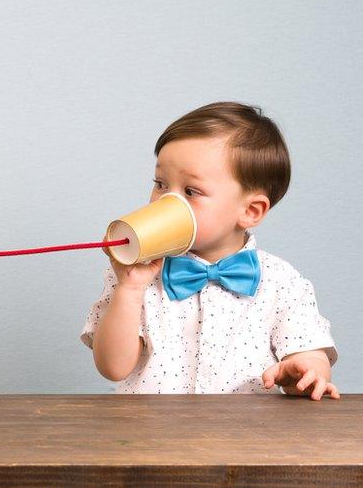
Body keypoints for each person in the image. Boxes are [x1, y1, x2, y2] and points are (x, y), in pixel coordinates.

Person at [81, 102, 338, 399]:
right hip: (147, 436)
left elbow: (311, 353)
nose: (166, 201)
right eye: (161, 184)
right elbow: (113, 368)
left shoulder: (283, 282)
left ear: (251, 211)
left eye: (191, 191)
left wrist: (303, 371)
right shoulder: (134, 273)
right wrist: (129, 289)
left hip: (246, 436)